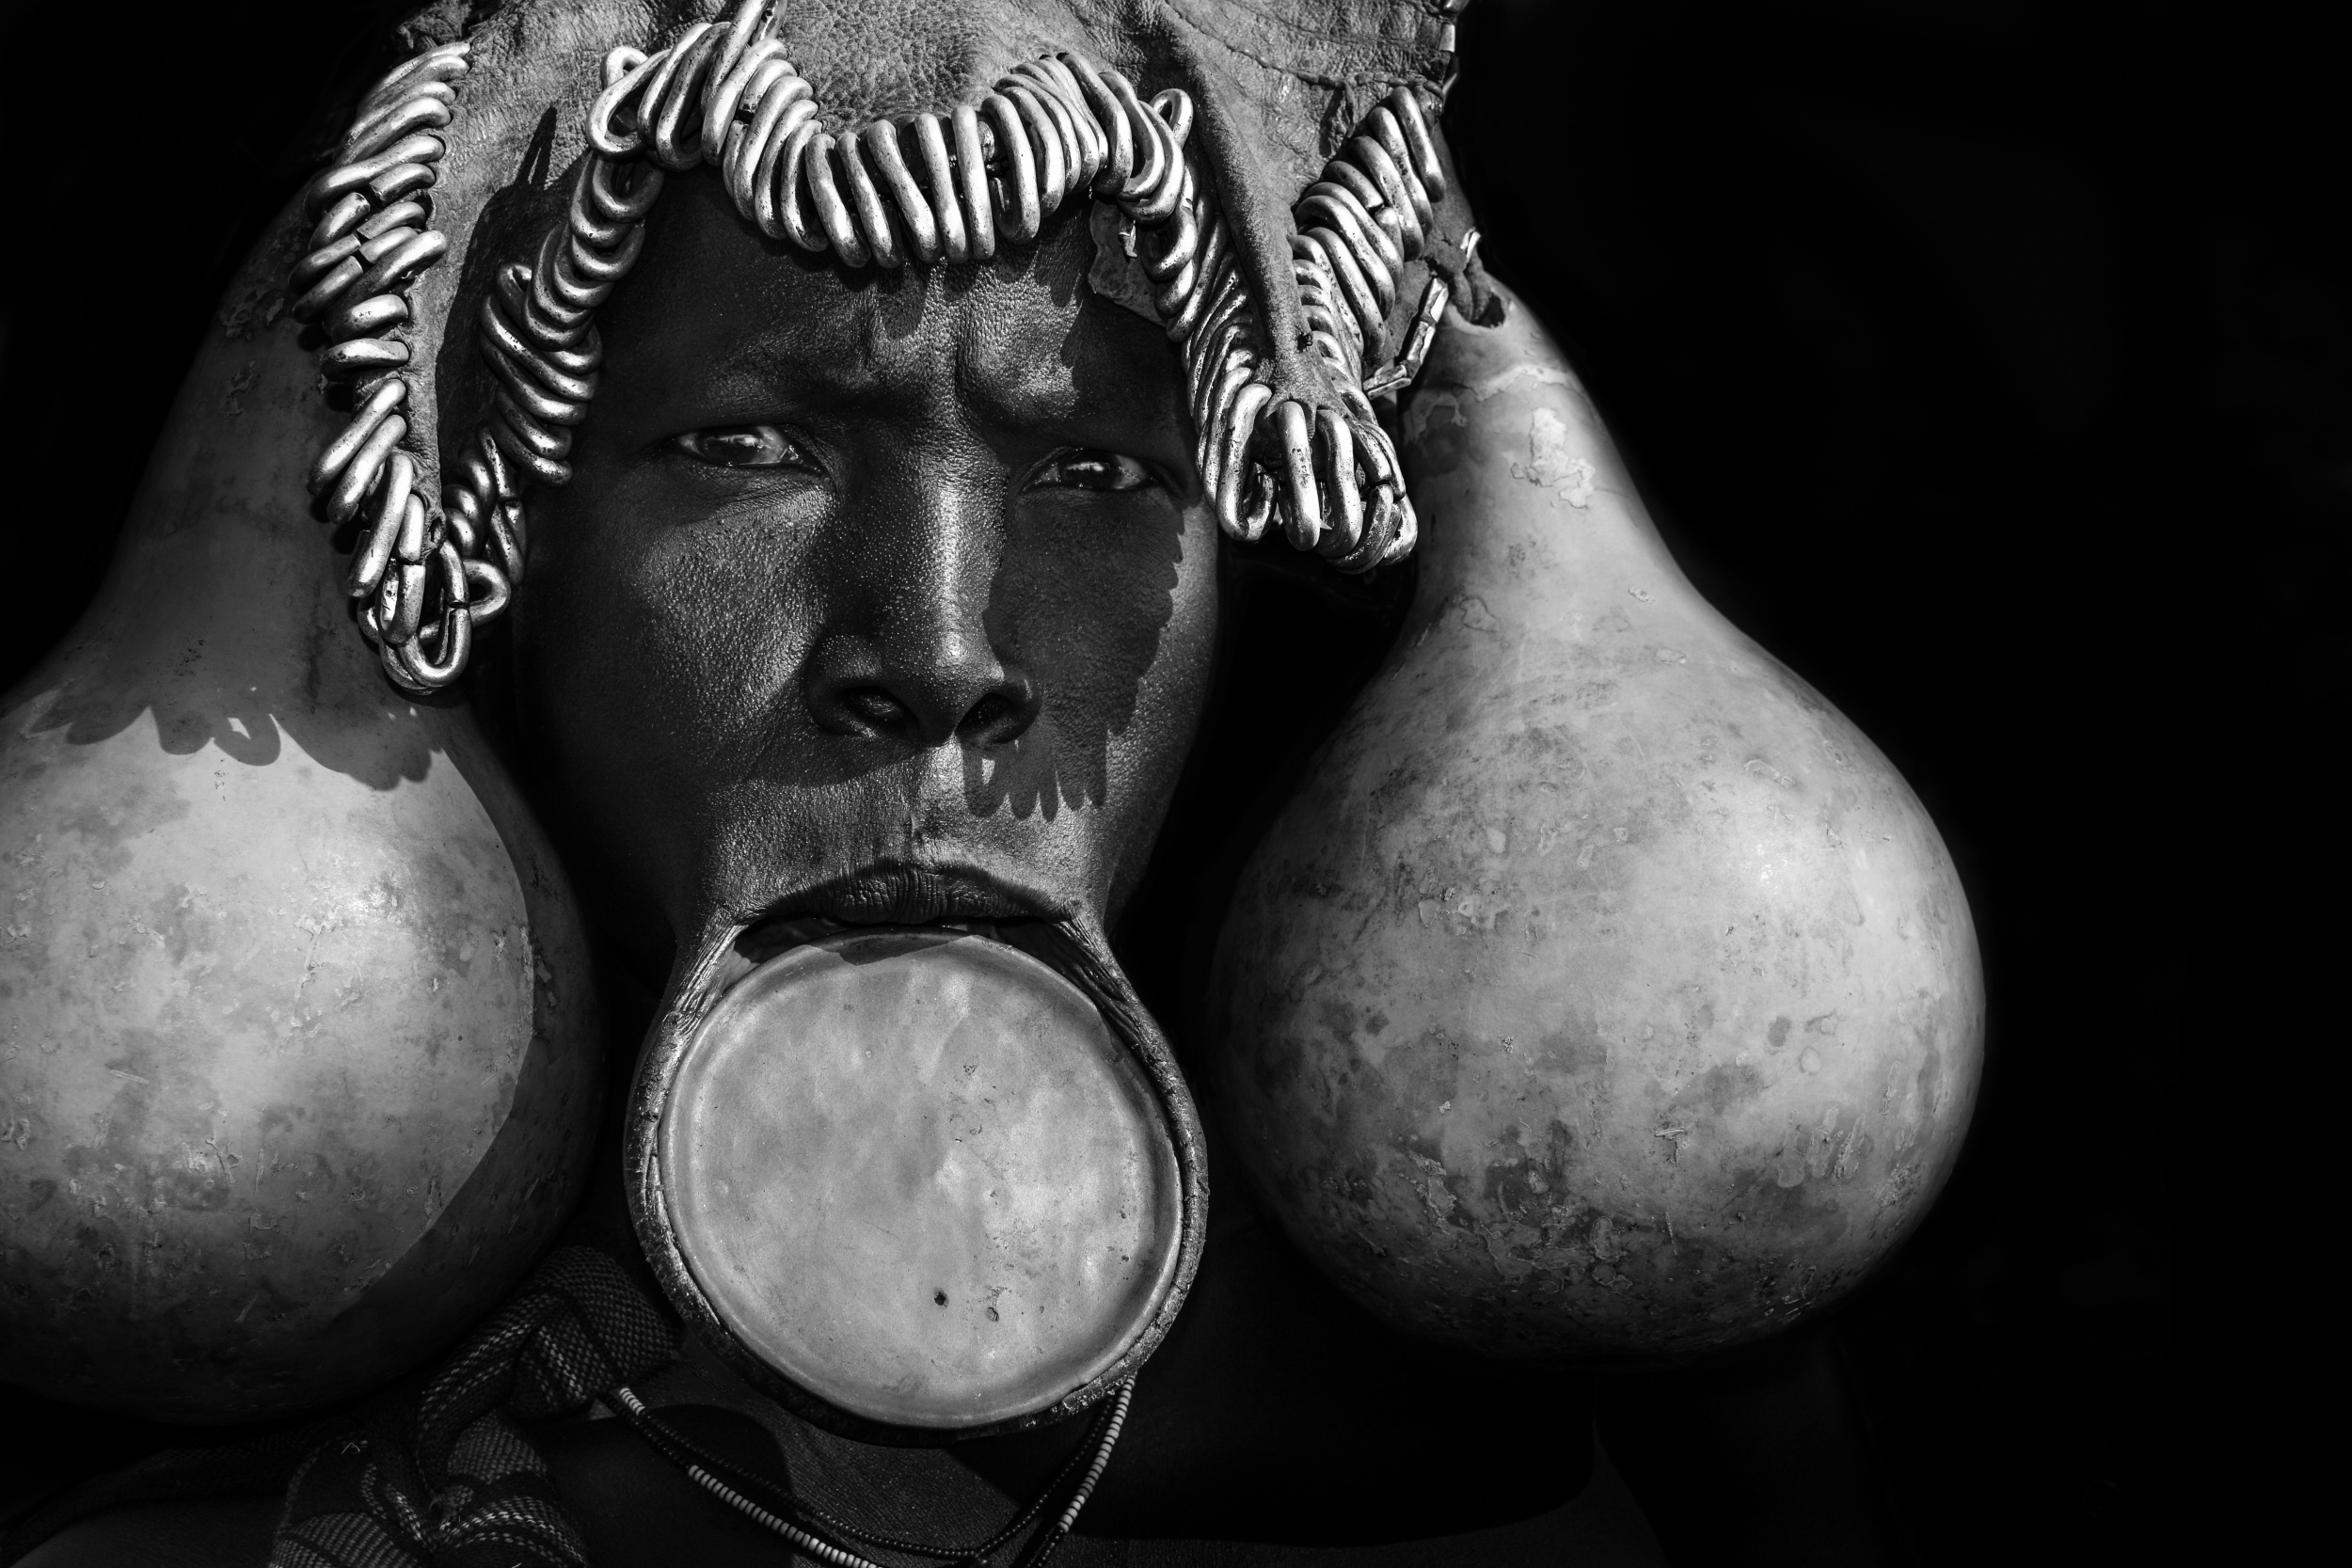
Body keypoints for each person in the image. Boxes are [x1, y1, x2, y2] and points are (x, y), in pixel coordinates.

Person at [1, 2, 1949, 1561]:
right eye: (752, 450)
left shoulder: (1609, 1441)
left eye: (1095, 475)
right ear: (491, 537)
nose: (937, 652)